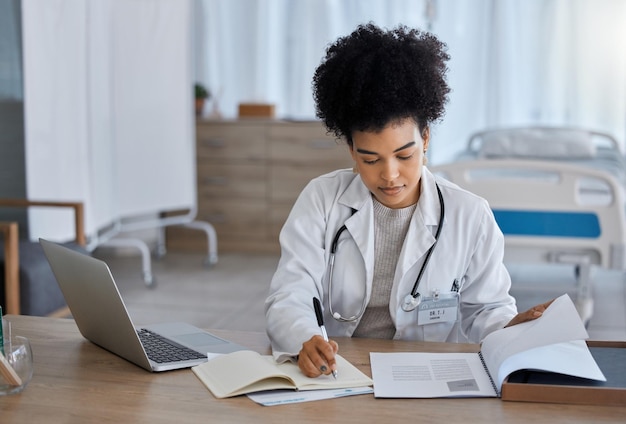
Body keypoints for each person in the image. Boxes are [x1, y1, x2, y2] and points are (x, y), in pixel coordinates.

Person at [264, 22, 552, 378]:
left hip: (425, 374)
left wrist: (513, 326)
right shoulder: (321, 200)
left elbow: (485, 310)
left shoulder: (469, 215)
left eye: (404, 155)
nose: (390, 175)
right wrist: (304, 338)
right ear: (351, 149)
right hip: (338, 372)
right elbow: (290, 293)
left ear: (426, 137)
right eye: (370, 159)